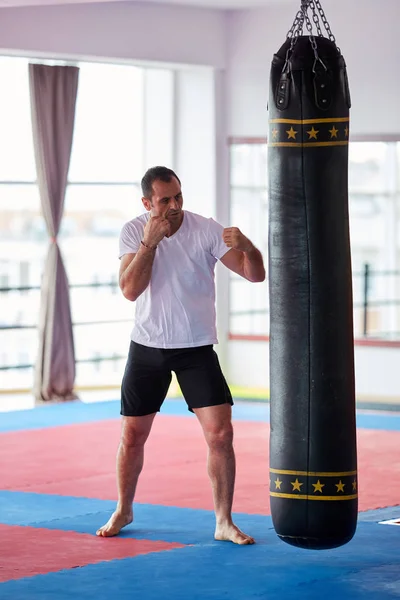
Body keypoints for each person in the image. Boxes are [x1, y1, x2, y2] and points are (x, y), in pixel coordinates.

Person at [96, 166, 265, 545]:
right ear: (147, 203)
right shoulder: (132, 230)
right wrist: (149, 243)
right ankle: (124, 508)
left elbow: (255, 275)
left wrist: (249, 247)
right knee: (133, 435)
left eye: (178, 197)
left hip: (196, 348)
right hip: (148, 347)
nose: (174, 206)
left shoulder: (205, 229)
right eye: (164, 200)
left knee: (221, 434)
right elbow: (129, 290)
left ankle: (224, 521)